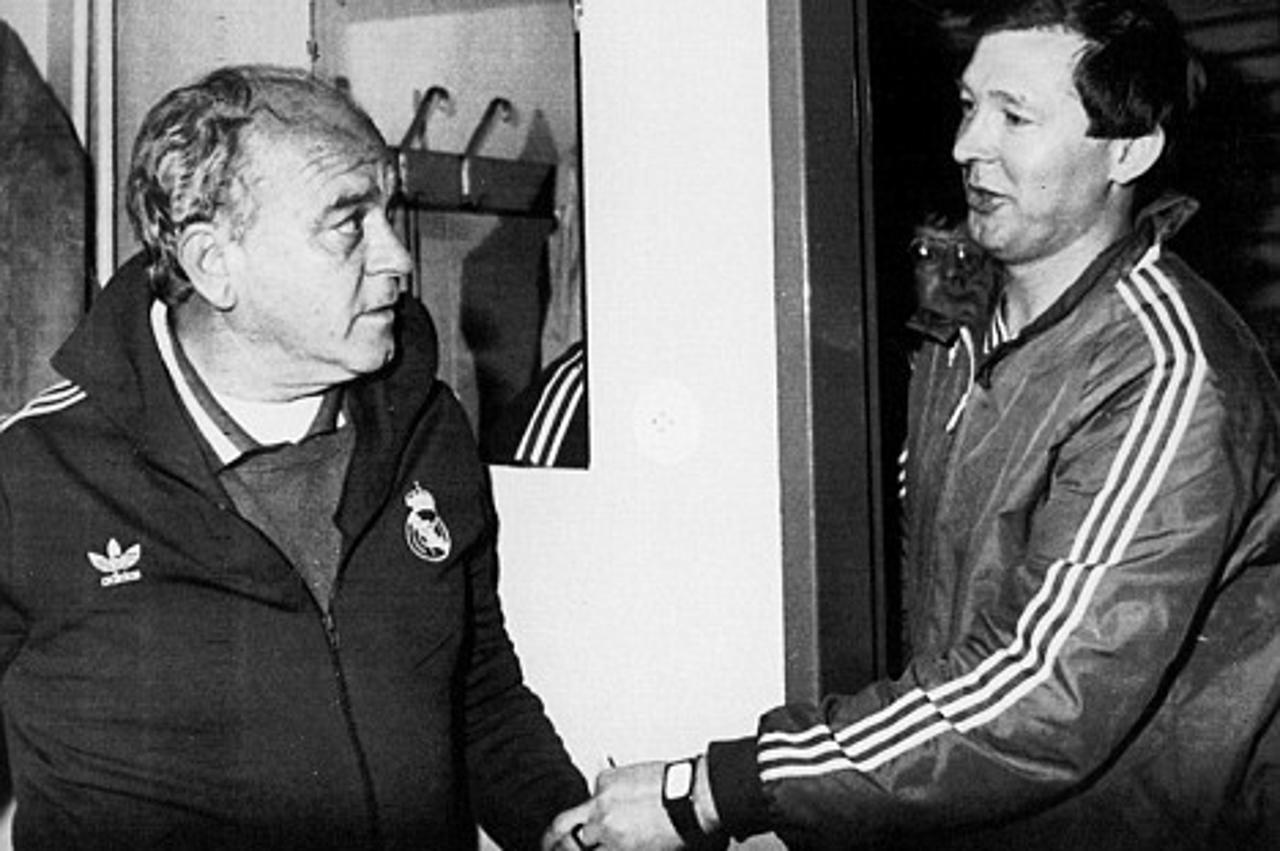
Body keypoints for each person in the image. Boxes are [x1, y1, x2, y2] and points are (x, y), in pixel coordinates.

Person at [545, 1, 1280, 849]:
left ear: (1130, 149)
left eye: (1016, 115)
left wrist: (717, 790)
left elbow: (1042, 698)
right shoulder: (960, 334)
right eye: (970, 107)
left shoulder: (1164, 372)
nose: (969, 144)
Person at [0, 64, 587, 850]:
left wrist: (565, 825)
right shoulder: (33, 475)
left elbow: (478, 689)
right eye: (349, 224)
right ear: (215, 264)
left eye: (389, 212)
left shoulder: (430, 430)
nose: (398, 258)